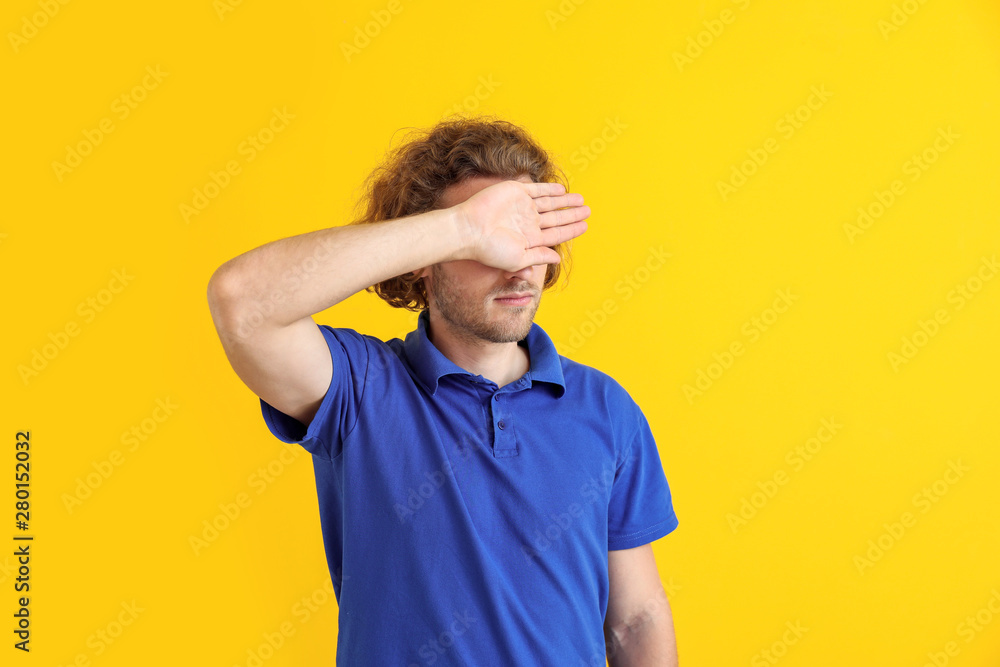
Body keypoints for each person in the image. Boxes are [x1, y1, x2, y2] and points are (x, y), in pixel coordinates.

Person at [206, 116, 680, 666]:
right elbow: (242, 300)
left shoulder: (605, 408)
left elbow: (634, 621)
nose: (518, 267)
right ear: (423, 262)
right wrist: (461, 227)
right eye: (491, 243)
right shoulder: (359, 388)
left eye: (532, 236)